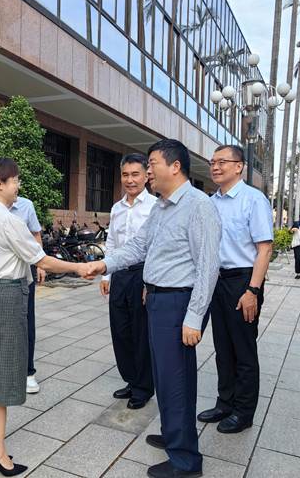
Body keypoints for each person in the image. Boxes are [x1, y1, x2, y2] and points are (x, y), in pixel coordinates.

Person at [87, 139, 221, 478]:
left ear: (175, 167)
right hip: (158, 300)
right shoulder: (162, 207)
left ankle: (185, 461)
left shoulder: (198, 206)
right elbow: (137, 247)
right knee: (164, 376)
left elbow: (208, 267)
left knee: (176, 379)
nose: (147, 172)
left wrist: (194, 317)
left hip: (178, 302)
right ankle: (176, 434)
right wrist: (104, 265)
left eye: (152, 164)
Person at [0, 157, 92, 476]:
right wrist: (80, 267)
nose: (18, 185)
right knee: (2, 378)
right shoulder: (6, 220)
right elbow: (41, 260)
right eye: (15, 180)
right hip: (6, 298)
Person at [197, 145, 273, 434]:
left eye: (222, 162)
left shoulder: (253, 200)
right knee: (222, 348)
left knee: (243, 349)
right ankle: (224, 403)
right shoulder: (210, 202)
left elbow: (264, 249)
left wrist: (253, 290)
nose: (215, 167)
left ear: (239, 166)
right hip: (216, 280)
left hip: (242, 281)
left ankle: (244, 411)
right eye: (212, 162)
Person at [0, 196, 45, 395]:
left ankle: (27, 372)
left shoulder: (26, 206)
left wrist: (40, 265)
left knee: (25, 322)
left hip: (22, 272)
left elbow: (36, 236)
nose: (17, 185)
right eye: (14, 181)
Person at [100, 153, 157, 410]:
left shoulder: (155, 206)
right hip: (120, 274)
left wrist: (149, 283)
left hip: (142, 274)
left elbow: (155, 247)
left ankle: (143, 387)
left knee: (140, 332)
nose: (130, 180)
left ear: (146, 176)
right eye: (125, 174)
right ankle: (131, 380)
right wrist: (106, 274)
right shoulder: (117, 208)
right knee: (120, 331)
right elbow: (112, 242)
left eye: (135, 174)